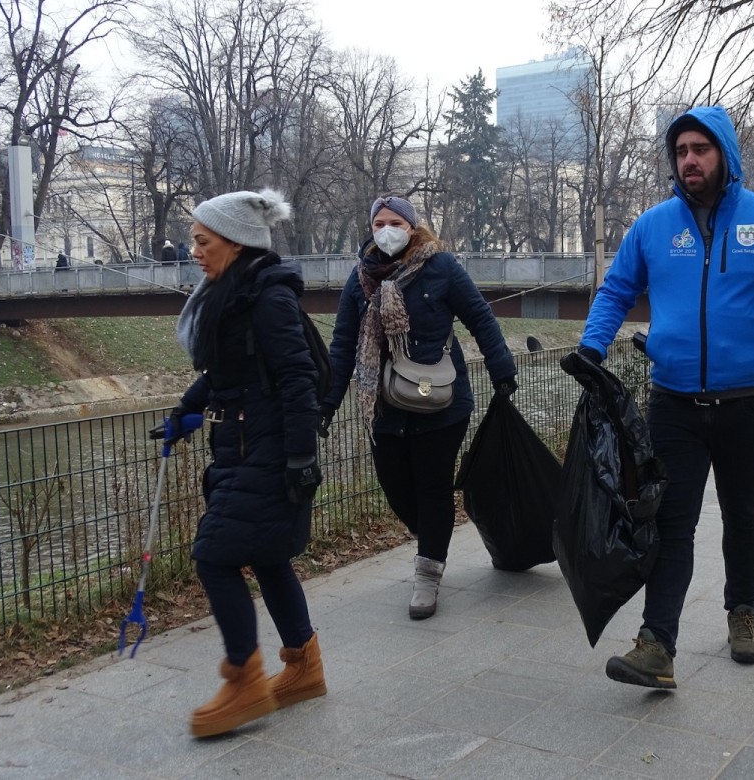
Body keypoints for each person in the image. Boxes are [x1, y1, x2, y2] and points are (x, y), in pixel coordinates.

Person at [569, 105, 754, 689]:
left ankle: (742, 613)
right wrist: (592, 349)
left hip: (749, 403)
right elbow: (617, 290)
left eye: (700, 148)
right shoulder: (653, 227)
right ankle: (656, 645)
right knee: (673, 523)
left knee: (744, 515)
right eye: (681, 151)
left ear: (724, 153)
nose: (689, 159)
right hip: (674, 405)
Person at [165, 187, 326, 737]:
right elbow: (223, 373)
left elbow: (299, 378)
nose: (195, 250)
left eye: (202, 240)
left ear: (233, 243)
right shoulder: (230, 294)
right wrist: (184, 412)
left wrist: (302, 457)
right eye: (195, 240)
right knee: (269, 553)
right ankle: (304, 667)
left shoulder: (266, 298)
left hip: (269, 449)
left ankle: (245, 680)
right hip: (237, 443)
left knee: (213, 556)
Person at [319, 195, 518, 620]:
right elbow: (342, 346)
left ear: (412, 227)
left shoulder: (441, 266)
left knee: (432, 487)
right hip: (385, 406)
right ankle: (433, 537)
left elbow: (481, 317)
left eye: (395, 222)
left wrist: (502, 370)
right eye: (378, 223)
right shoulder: (360, 280)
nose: (386, 230)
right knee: (396, 487)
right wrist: (326, 405)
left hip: (441, 400)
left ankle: (428, 573)